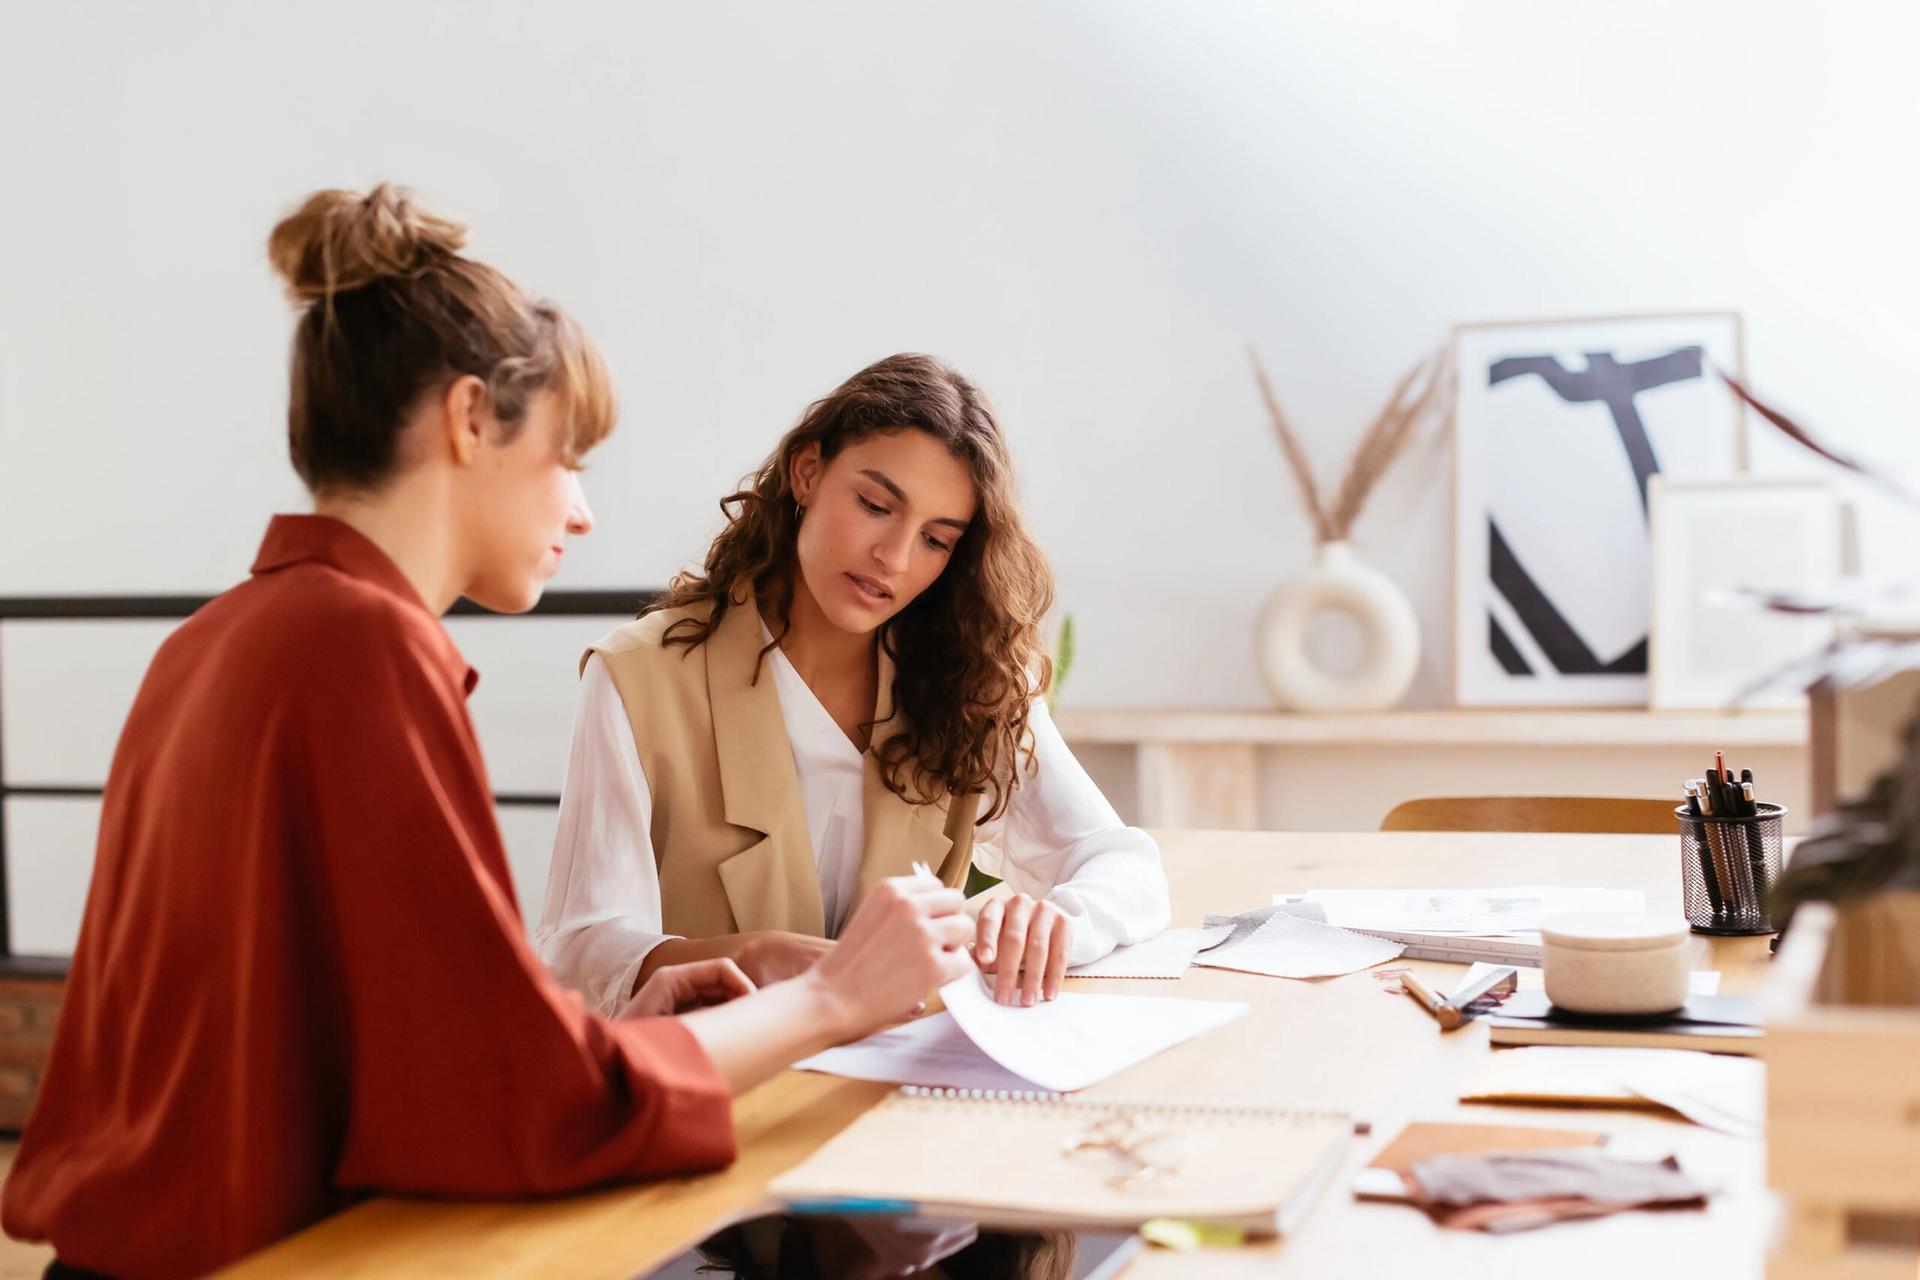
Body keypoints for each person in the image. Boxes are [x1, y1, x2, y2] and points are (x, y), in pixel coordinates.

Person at [0, 187, 975, 1280]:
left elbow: (400, 1062)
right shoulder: (363, 648)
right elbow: (515, 1116)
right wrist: (836, 997)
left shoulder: (217, 638)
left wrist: (618, 1032)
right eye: (570, 458)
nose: (581, 511)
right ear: (470, 420)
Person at [537, 354, 1170, 1015]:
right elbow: (582, 951)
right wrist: (749, 956)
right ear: (806, 472)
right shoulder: (637, 679)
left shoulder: (969, 675)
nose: (893, 558)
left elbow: (1121, 863)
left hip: (905, 1086)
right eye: (874, 505)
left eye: (936, 539)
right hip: (717, 1084)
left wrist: (1056, 923)